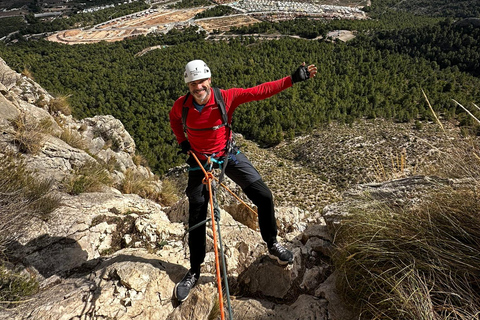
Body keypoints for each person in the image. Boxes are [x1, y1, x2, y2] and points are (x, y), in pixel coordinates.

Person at [169, 59, 317, 302]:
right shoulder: (181, 106)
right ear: (188, 84)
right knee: (197, 213)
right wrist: (183, 142)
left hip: (228, 155)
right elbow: (174, 120)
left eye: (202, 81)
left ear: (210, 80)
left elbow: (259, 91)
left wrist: (292, 79)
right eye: (194, 83)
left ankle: (272, 244)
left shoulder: (226, 98)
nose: (199, 87)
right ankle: (194, 270)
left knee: (264, 196)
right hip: (200, 161)